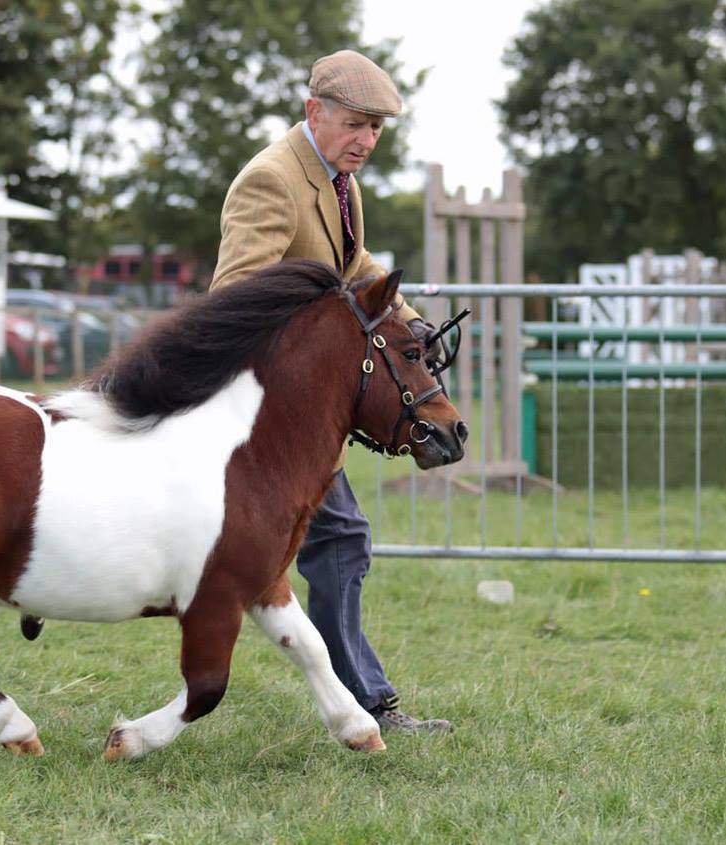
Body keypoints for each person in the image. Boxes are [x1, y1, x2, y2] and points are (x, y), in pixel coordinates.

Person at [210, 50, 451, 734]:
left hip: (301, 417)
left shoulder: (339, 179)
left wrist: (411, 322)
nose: (367, 140)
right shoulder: (271, 180)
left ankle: (361, 701)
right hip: (266, 412)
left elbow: (353, 265)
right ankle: (364, 705)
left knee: (339, 540)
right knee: (337, 539)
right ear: (313, 111)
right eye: (355, 123)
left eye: (377, 128)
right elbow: (235, 296)